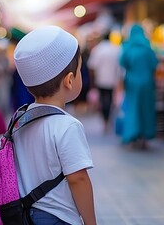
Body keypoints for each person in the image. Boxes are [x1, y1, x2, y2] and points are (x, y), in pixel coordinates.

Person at [13, 26, 96, 225]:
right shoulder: (67, 126)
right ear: (69, 80)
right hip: (58, 218)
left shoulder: (20, 119)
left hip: (24, 214)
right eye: (79, 71)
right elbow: (78, 179)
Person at [119, 24, 159, 149]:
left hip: (132, 82)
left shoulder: (128, 48)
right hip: (147, 82)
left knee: (133, 109)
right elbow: (154, 65)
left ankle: (131, 136)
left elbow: (122, 63)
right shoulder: (148, 48)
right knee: (146, 109)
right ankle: (145, 137)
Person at [88, 32, 121, 132]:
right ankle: (108, 119)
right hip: (112, 79)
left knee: (103, 100)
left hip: (101, 79)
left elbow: (92, 66)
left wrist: (92, 83)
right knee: (110, 100)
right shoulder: (116, 49)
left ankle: (105, 121)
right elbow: (119, 67)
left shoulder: (98, 49)